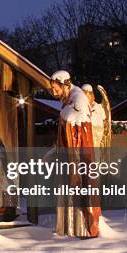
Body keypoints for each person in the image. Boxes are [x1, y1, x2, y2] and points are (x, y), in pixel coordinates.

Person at [50, 71, 101, 238]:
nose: (54, 92)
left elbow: (79, 130)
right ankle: (69, 228)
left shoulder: (78, 100)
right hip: (69, 158)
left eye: (55, 88)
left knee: (79, 189)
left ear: (64, 83)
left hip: (77, 159)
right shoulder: (69, 101)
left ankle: (81, 228)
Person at [81, 84, 107, 148]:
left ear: (91, 95)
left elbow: (104, 118)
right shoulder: (80, 107)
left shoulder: (98, 107)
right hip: (84, 138)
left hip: (97, 136)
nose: (86, 98)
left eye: (88, 94)